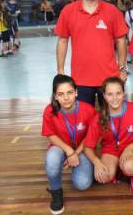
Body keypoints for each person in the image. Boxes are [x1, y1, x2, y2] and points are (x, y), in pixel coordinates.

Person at [55, 0, 128, 107]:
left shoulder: (112, 11)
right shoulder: (68, 11)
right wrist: (60, 70)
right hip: (80, 79)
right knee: (83, 122)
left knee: (111, 120)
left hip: (109, 78)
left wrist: (122, 69)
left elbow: (121, 41)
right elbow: (62, 41)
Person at [42, 74, 96, 215]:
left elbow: (91, 136)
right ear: (55, 96)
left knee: (82, 184)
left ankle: (79, 167)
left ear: (76, 92)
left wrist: (76, 153)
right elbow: (50, 135)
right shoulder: (49, 111)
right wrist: (68, 151)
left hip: (82, 150)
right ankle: (56, 192)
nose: (66, 98)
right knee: (52, 159)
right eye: (61, 94)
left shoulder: (88, 110)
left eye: (70, 93)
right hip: (61, 148)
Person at [84, 77, 133, 193]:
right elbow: (88, 148)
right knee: (103, 177)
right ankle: (118, 171)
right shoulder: (98, 118)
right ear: (104, 96)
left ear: (124, 93)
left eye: (118, 93)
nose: (115, 98)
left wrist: (129, 148)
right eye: (110, 94)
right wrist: (97, 163)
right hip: (111, 150)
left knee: (129, 167)